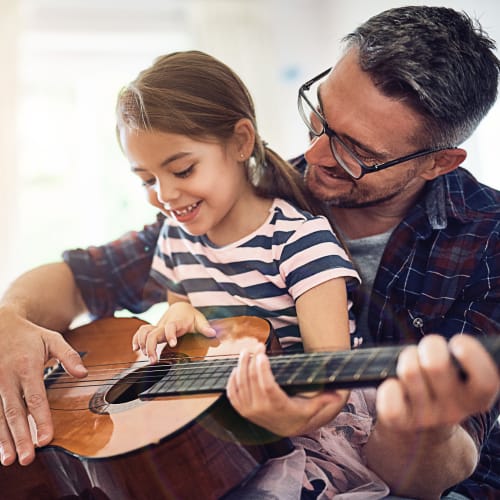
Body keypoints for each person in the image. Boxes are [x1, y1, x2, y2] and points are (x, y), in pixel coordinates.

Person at [0, 4, 498, 499]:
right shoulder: (240, 197)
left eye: (357, 151)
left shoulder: (487, 242)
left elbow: (435, 474)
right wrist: (11, 321)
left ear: (439, 162)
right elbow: (81, 277)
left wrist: (421, 427)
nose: (315, 155)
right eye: (318, 115)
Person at [116, 51, 359, 367]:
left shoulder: (301, 242)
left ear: (241, 142)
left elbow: (330, 382)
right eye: (147, 180)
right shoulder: (174, 238)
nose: (164, 195)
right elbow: (189, 351)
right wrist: (178, 315)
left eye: (183, 170)